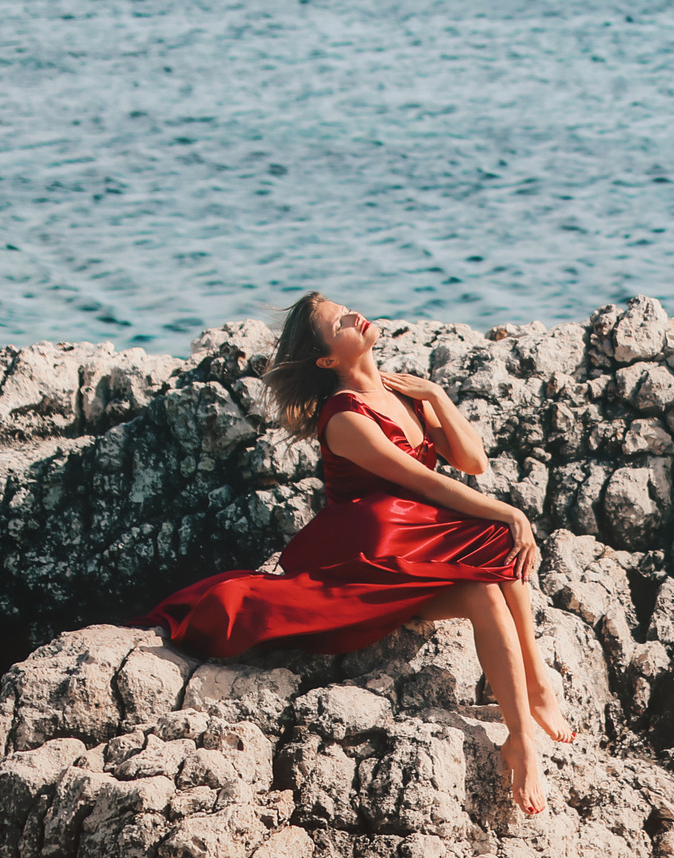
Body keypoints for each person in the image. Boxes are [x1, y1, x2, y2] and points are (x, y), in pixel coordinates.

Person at [139, 291, 574, 815]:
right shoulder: (344, 418)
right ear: (327, 358)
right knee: (497, 534)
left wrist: (435, 393)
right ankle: (534, 699)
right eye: (337, 322)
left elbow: (473, 461)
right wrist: (508, 512)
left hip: (422, 543)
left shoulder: (404, 395)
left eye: (345, 308)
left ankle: (523, 727)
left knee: (486, 584)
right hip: (371, 552)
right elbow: (426, 484)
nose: (352, 314)